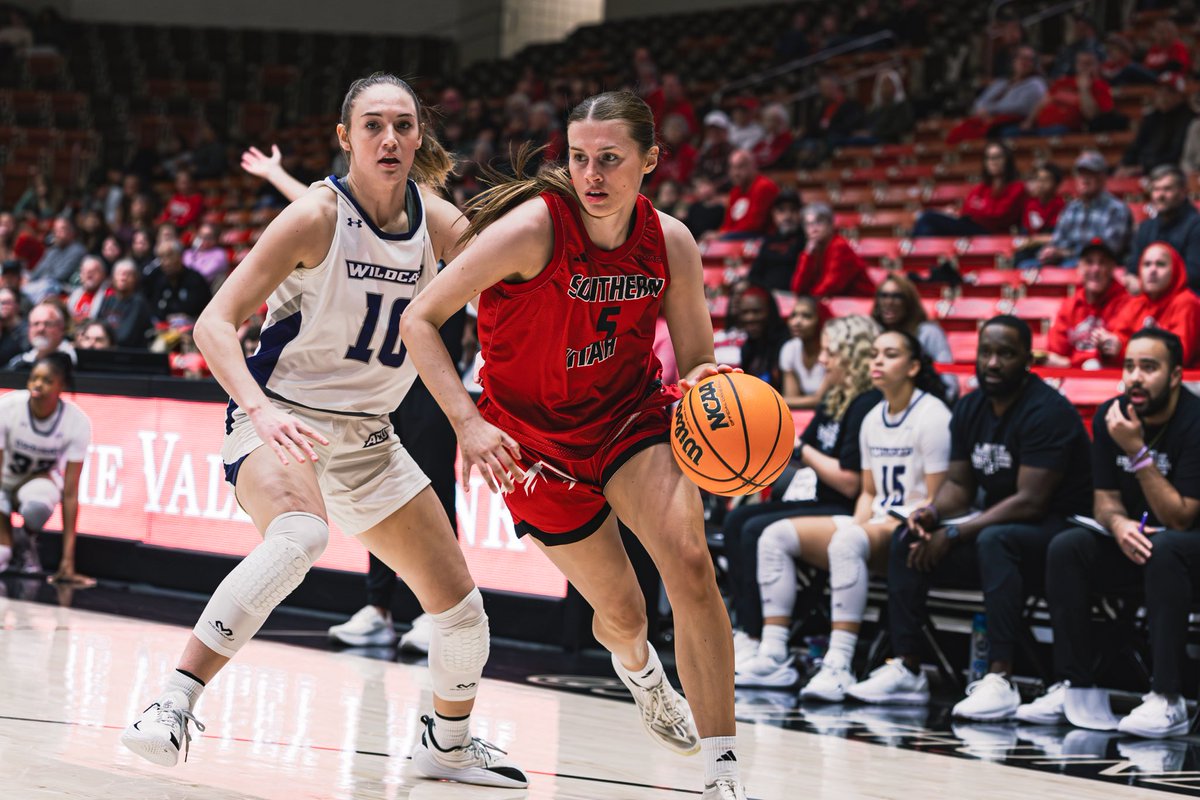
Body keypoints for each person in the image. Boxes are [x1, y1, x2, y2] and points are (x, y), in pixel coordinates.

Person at [119, 73, 528, 789]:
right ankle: (171, 703)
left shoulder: (438, 223)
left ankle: (447, 744)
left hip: (369, 434)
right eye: (373, 125)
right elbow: (214, 324)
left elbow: (518, 268)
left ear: (419, 136)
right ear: (346, 138)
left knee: (462, 612)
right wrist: (263, 410)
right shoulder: (313, 216)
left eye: (404, 125)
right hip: (280, 415)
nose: (391, 138)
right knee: (301, 536)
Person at [401, 90, 748, 800]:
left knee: (688, 561)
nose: (591, 174)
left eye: (611, 160)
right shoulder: (532, 230)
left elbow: (698, 363)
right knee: (623, 614)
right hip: (533, 446)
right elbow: (419, 319)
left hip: (628, 418)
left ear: (650, 160)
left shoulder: (671, 240)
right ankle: (642, 671)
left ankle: (723, 772)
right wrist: (469, 421)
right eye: (580, 158)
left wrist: (724, 397)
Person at [848, 316, 1092, 720]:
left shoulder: (1048, 411)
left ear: (1027, 360)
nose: (993, 363)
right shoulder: (970, 407)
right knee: (909, 536)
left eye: (1006, 354)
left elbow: (1030, 501)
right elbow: (959, 486)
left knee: (997, 540)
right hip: (998, 527)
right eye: (986, 352)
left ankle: (1000, 678)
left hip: (1058, 531)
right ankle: (906, 666)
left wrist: (957, 532)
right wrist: (931, 512)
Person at [743, 331, 951, 700]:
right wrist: (860, 523)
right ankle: (774, 654)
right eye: (873, 354)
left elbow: (937, 497)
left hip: (913, 529)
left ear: (914, 367)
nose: (877, 362)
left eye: (890, 354)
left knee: (848, 540)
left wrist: (859, 532)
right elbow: (869, 492)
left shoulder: (933, 415)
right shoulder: (873, 417)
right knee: (774, 535)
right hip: (877, 521)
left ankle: (839, 664)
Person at [1018, 329, 1200, 737]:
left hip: (1186, 552)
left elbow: (1182, 517)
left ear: (1175, 376)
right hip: (1138, 544)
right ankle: (1076, 685)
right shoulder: (1111, 415)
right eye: (1130, 366)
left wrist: (1137, 453)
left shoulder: (1194, 422)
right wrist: (1117, 525)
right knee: (1069, 546)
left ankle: (1168, 698)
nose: (1135, 377)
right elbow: (1104, 500)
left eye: (1149, 368)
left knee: (1168, 547)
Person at [724, 315, 882, 673]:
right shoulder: (834, 398)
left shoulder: (865, 404)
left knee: (753, 530)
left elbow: (850, 483)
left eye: (830, 352)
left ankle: (761, 637)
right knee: (738, 520)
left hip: (844, 507)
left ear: (852, 355)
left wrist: (800, 450)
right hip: (819, 499)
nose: (822, 360)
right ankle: (748, 631)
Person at [0, 353, 92, 586]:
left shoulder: (77, 423)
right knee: (2, 556)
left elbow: (70, 494)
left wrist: (68, 560)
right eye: (34, 378)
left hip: (36, 484)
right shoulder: (8, 406)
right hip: (3, 481)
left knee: (38, 505)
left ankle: (25, 540)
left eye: (48, 380)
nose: (38, 384)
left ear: (62, 385)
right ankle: (10, 544)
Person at [1105, 243, 1200, 368]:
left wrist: (1123, 351)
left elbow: (1179, 356)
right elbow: (1120, 336)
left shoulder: (1187, 303)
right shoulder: (1135, 303)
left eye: (1160, 264)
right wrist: (1110, 345)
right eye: (1147, 264)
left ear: (1175, 269)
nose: (1152, 270)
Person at [1044, 239, 1131, 368]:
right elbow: (1056, 351)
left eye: (1102, 263)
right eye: (1089, 262)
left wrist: (1070, 363)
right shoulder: (1070, 305)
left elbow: (1114, 352)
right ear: (1079, 268)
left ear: (1112, 267)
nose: (1095, 269)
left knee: (1093, 365)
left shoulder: (1127, 304)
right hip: (1071, 381)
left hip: (1111, 379)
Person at [1036, 150, 1132, 267]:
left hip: (1098, 267)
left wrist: (1063, 253)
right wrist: (1049, 251)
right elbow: (1057, 240)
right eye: (1081, 174)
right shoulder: (1071, 208)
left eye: (1090, 174)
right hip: (1064, 261)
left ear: (1102, 178)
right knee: (1027, 266)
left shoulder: (1116, 209)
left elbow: (1108, 249)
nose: (1084, 179)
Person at [912, 143, 1027, 237]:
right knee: (928, 222)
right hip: (971, 228)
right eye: (988, 158)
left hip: (992, 234)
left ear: (1007, 160)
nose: (992, 161)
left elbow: (998, 216)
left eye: (997, 157)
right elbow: (967, 210)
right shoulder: (981, 187)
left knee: (929, 219)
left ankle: (915, 260)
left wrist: (977, 210)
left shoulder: (1017, 187)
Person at [948, 46, 1045, 144]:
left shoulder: (1036, 84)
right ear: (1013, 61)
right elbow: (979, 102)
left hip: (1011, 122)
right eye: (1021, 58)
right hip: (988, 119)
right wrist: (982, 111)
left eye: (1029, 59)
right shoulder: (1001, 83)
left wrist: (990, 110)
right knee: (959, 131)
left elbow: (1021, 107)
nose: (1024, 62)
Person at [1127, 165, 1200, 293]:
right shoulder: (1145, 227)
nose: (1160, 195)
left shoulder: (1196, 226)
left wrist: (1151, 282)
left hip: (1185, 299)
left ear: (1183, 192)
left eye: (1167, 189)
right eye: (1156, 189)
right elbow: (1133, 266)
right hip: (1149, 298)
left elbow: (1194, 274)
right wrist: (1131, 278)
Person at [1020, 50, 1113, 137]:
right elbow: (1042, 102)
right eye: (1081, 63)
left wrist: (1084, 89)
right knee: (1012, 132)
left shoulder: (1101, 86)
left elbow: (1092, 116)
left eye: (1088, 63)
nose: (1084, 67)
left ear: (1097, 65)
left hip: (1067, 131)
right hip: (1041, 128)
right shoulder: (1063, 82)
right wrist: (1029, 121)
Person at [790, 203, 875, 297]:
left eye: (819, 222)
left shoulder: (839, 246)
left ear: (831, 225)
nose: (813, 229)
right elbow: (797, 289)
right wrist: (807, 255)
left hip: (859, 303)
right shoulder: (813, 249)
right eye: (808, 224)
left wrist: (809, 303)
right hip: (836, 303)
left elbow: (831, 285)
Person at [870, 273, 953, 368]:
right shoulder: (871, 332)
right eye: (884, 296)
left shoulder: (928, 333)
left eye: (897, 296)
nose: (889, 302)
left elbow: (947, 377)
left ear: (909, 302)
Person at [1118, 73, 1193, 177]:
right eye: (1160, 91)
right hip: (1142, 167)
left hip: (1169, 171)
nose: (1162, 96)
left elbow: (1176, 153)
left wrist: (1142, 168)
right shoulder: (1152, 117)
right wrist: (1124, 164)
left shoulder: (1188, 119)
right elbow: (1136, 145)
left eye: (1168, 92)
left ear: (1179, 95)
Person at [142, 239, 213, 327]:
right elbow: (154, 310)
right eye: (161, 257)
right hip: (164, 331)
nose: (165, 262)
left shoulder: (195, 280)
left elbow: (207, 311)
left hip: (192, 329)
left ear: (180, 256)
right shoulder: (156, 279)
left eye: (169, 256)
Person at [746, 190, 804, 291]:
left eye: (793, 210)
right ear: (774, 214)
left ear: (800, 214)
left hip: (796, 297)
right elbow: (754, 275)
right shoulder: (768, 241)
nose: (788, 216)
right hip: (768, 299)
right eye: (782, 210)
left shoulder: (806, 241)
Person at [716, 149, 780, 240]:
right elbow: (728, 223)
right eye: (732, 168)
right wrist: (719, 234)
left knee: (726, 238)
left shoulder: (764, 187)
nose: (735, 173)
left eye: (740, 167)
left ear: (752, 166)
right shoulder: (735, 191)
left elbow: (754, 225)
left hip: (762, 237)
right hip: (736, 236)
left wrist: (722, 235)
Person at [778, 296, 827, 410]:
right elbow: (791, 398)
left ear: (820, 320)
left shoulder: (831, 351)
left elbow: (820, 400)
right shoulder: (790, 348)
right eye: (793, 315)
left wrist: (775, 401)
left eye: (806, 316)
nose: (797, 322)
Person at [737, 285, 788, 389]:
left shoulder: (786, 344)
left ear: (770, 312)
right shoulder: (746, 349)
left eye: (756, 311)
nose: (749, 318)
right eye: (744, 312)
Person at [96, 258, 154, 349]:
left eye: (128, 274)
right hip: (107, 349)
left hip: (129, 354)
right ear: (112, 278)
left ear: (135, 279)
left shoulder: (139, 303)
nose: (123, 277)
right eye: (119, 273)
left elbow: (125, 337)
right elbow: (97, 325)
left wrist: (100, 340)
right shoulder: (108, 300)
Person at [25, 217, 86, 303]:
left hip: (64, 288)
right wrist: (29, 279)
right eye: (56, 230)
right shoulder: (52, 251)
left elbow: (61, 275)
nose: (58, 233)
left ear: (71, 232)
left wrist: (41, 277)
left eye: (62, 229)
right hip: (43, 285)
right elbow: (37, 271)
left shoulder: (77, 250)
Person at [5, 300, 75, 370]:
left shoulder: (73, 359)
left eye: (47, 324)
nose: (40, 329)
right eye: (36, 324)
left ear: (61, 328)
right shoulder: (19, 363)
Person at [1021, 162, 1065, 239]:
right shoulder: (1030, 204)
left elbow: (1054, 234)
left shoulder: (1060, 205)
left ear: (1056, 184)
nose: (1041, 184)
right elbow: (1025, 230)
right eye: (1038, 179)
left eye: (1046, 180)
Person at [182, 222, 231, 289]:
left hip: (207, 290)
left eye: (207, 237)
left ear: (215, 239)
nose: (203, 240)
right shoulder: (189, 253)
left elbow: (205, 274)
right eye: (200, 236)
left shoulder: (219, 254)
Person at [65, 255, 112, 326]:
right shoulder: (76, 294)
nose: (89, 274)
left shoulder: (110, 296)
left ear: (103, 274)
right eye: (84, 271)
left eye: (94, 271)